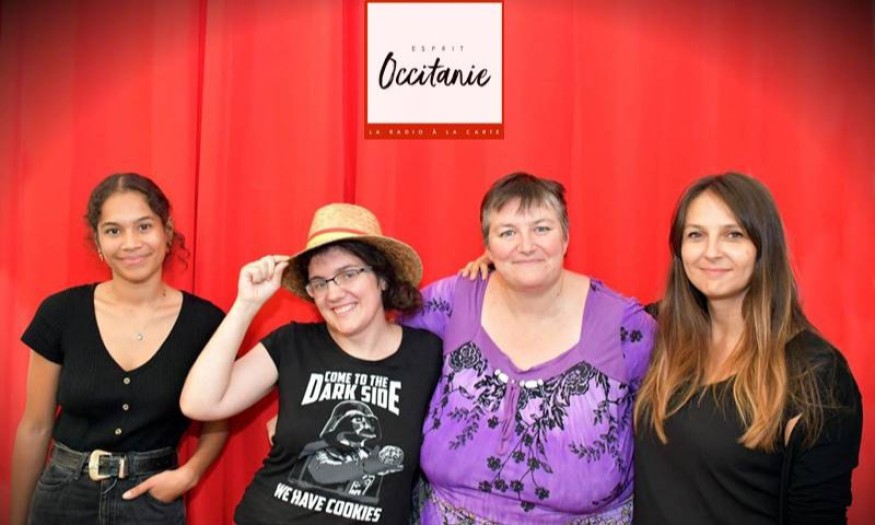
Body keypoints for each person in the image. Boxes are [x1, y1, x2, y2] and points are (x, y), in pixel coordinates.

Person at [403, 172, 656, 524]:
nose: (526, 246)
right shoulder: (451, 302)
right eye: (507, 233)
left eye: (541, 228)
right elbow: (380, 351)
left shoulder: (624, 326)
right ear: (488, 246)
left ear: (565, 237)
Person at [179, 203, 443, 524]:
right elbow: (198, 403)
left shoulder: (427, 354)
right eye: (320, 282)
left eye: (348, 274)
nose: (334, 294)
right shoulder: (293, 343)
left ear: (383, 278)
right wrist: (246, 304)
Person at [633, 173, 863, 525]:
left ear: (763, 247)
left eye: (733, 234)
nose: (711, 252)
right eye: (696, 235)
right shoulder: (653, 333)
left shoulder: (816, 373)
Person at [10, 173, 228, 525]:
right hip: (61, 499)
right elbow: (35, 427)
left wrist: (189, 474)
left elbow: (218, 420)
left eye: (144, 226)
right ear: (97, 242)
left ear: (167, 231)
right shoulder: (60, 313)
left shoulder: (206, 323)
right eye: (113, 231)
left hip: (152, 503)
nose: (130, 243)